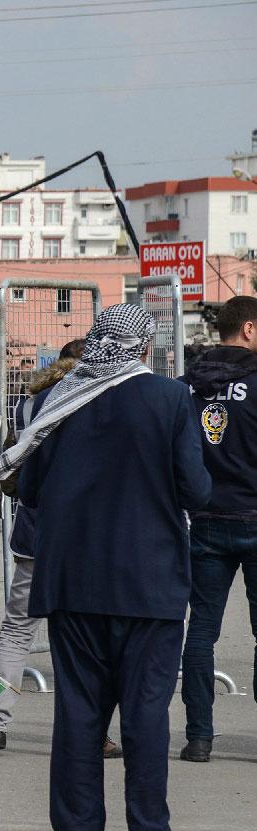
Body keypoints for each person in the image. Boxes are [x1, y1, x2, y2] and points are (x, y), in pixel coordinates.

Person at [0, 303, 211, 831]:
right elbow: (196, 489)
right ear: (144, 347)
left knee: (79, 710)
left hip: (71, 580)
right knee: (145, 711)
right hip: (150, 582)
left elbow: (31, 489)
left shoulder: (57, 400)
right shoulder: (169, 399)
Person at [0, 341, 123, 758]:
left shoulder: (29, 407)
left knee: (17, 629)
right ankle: (93, 733)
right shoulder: (102, 401)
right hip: (87, 538)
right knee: (88, 637)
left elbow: (14, 464)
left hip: (35, 531)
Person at [178, 294, 257, 763]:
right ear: (248, 329)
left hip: (205, 518)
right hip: (254, 515)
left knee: (202, 631)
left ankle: (199, 737)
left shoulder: (190, 384)